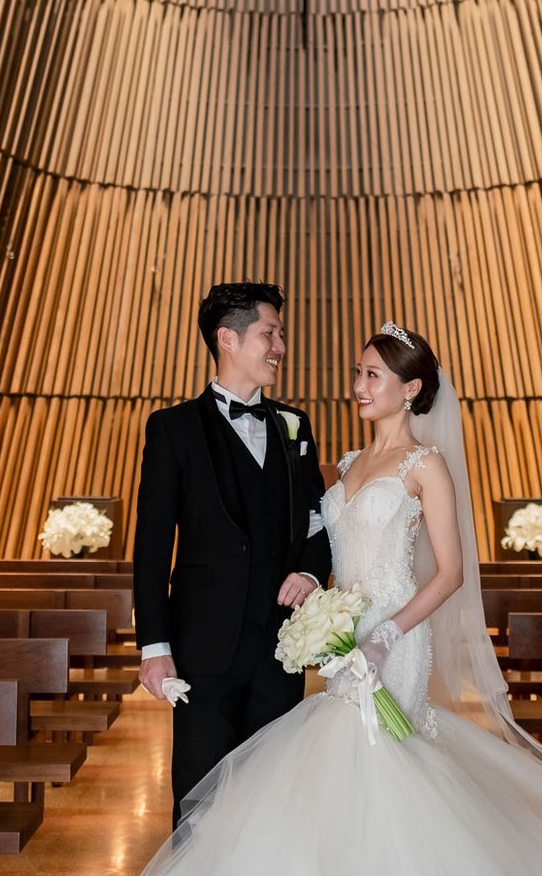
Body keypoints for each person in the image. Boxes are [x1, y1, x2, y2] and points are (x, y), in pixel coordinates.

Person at [141, 322, 542, 876]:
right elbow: (315, 538)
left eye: (372, 376)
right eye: (358, 373)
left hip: (395, 637)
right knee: (337, 776)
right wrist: (322, 609)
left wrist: (385, 635)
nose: (358, 386)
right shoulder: (347, 463)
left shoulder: (426, 464)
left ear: (410, 389)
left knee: (385, 765)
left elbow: (451, 574)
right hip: (346, 638)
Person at [133, 282, 332, 826]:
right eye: (271, 334)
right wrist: (154, 646)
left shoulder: (294, 425)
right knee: (200, 804)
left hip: (280, 649)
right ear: (228, 339)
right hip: (203, 651)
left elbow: (318, 520)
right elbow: (152, 545)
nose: (281, 348)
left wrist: (311, 572)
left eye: (280, 335)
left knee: (274, 801)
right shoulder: (172, 428)